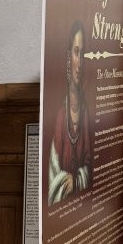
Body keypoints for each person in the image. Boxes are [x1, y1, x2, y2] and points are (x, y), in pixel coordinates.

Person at [48, 21, 92, 204]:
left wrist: (77, 180)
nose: (80, 62)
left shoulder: (85, 112)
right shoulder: (59, 114)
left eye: (83, 54)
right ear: (68, 57)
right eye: (76, 52)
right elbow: (51, 176)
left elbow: (91, 164)